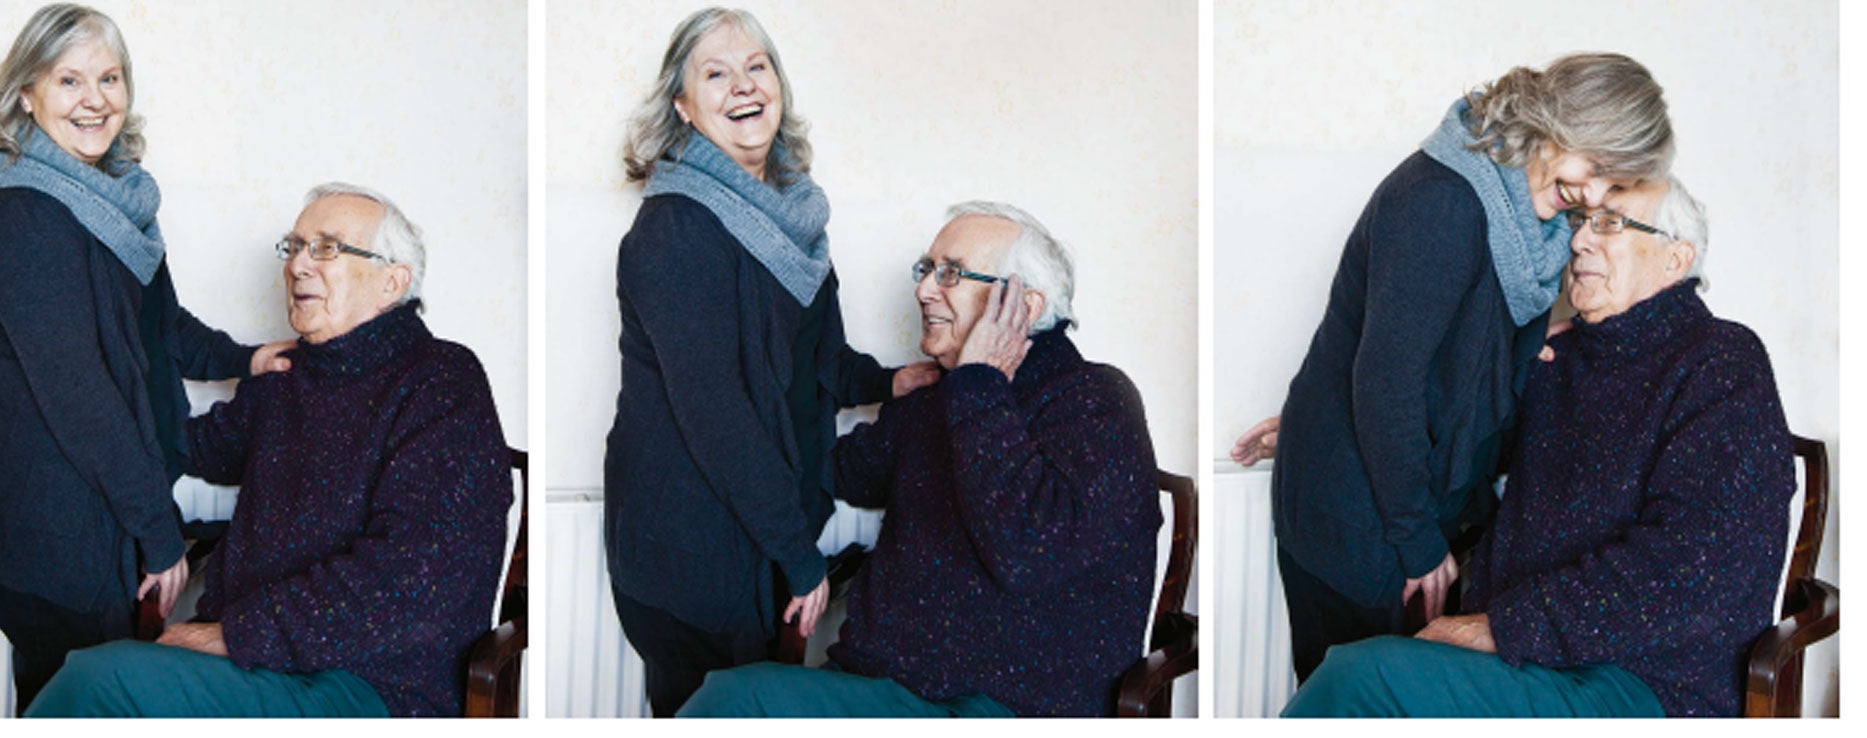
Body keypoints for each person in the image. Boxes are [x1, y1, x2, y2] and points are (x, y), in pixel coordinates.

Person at [1235, 54, 1676, 682]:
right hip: (1362, 517)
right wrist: (1419, 543)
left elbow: (1448, 362)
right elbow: (1386, 386)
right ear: (1557, 122)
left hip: (1405, 491)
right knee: (1353, 700)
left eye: (1615, 186)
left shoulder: (1535, 229)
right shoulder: (1443, 204)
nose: (1595, 196)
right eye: (1597, 168)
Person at [1284, 177, 1795, 717]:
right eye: (1581, 222)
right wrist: (1327, 422)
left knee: (1361, 679)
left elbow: (1693, 566)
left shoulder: (1722, 364)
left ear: (1676, 258)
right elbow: (1462, 438)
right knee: (1360, 664)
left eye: (1611, 223)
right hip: (1536, 658)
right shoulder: (1561, 357)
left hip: (1646, 678)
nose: (1579, 242)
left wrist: (1505, 628)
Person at [26, 183, 515, 717]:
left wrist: (237, 634)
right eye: (295, 246)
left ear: (391, 282)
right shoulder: (290, 376)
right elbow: (187, 445)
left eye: (327, 248)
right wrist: (83, 396)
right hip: (262, 663)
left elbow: (412, 578)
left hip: (372, 680)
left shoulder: (442, 382)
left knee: (101, 682)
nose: (299, 265)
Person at [679, 202, 1163, 717]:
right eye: (926, 269)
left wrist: (981, 383)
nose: (924, 289)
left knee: (734, 702)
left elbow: (1027, 553)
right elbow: (840, 469)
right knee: (730, 695)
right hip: (886, 683)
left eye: (950, 273)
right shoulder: (939, 396)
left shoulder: (1095, 399)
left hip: (1004, 705)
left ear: (1024, 305)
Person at [604, 7, 941, 716]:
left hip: (764, 527)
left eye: (757, 67)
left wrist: (891, 381)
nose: (743, 86)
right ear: (684, 108)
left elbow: (818, 361)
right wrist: (797, 554)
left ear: (779, 86)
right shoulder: (672, 230)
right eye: (715, 74)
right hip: (691, 546)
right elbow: (717, 413)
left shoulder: (792, 217)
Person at [0, 3, 291, 712]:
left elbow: (161, 325)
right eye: (69, 81)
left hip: (103, 510)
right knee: (74, 702)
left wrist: (249, 356)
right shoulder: (22, 219)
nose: (95, 101)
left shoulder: (117, 206)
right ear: (27, 93)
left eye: (109, 78)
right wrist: (161, 537)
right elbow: (81, 397)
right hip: (52, 521)